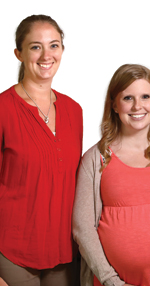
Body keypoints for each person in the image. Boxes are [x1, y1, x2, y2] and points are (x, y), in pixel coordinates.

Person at [72, 64, 150, 286]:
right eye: (128, 98)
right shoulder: (96, 158)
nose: (138, 106)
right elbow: (83, 227)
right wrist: (111, 281)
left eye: (145, 97)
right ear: (114, 104)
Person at [0, 15, 83, 286]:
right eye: (36, 46)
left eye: (54, 45)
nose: (46, 55)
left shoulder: (74, 111)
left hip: (63, 251)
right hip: (11, 249)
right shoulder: (3, 109)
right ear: (19, 54)